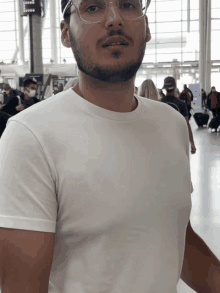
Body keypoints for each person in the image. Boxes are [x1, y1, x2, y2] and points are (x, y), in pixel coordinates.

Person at [0, 1, 219, 293]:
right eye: (93, 7)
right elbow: (23, 286)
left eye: (128, 4)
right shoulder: (31, 136)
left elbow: (175, 238)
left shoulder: (171, 123)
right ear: (66, 33)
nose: (114, 19)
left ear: (147, 28)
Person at [161, 77, 196, 154]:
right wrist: (192, 143)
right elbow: (187, 124)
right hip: (178, 140)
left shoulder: (159, 102)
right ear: (175, 87)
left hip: (163, 140)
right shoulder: (181, 104)